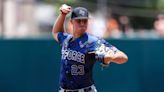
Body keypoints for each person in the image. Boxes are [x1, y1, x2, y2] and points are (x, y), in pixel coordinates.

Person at [52, 4, 128, 92]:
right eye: (79, 21)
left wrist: (111, 57)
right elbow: (56, 32)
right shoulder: (66, 39)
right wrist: (62, 15)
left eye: (85, 21)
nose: (82, 23)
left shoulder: (93, 42)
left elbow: (123, 57)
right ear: (72, 22)